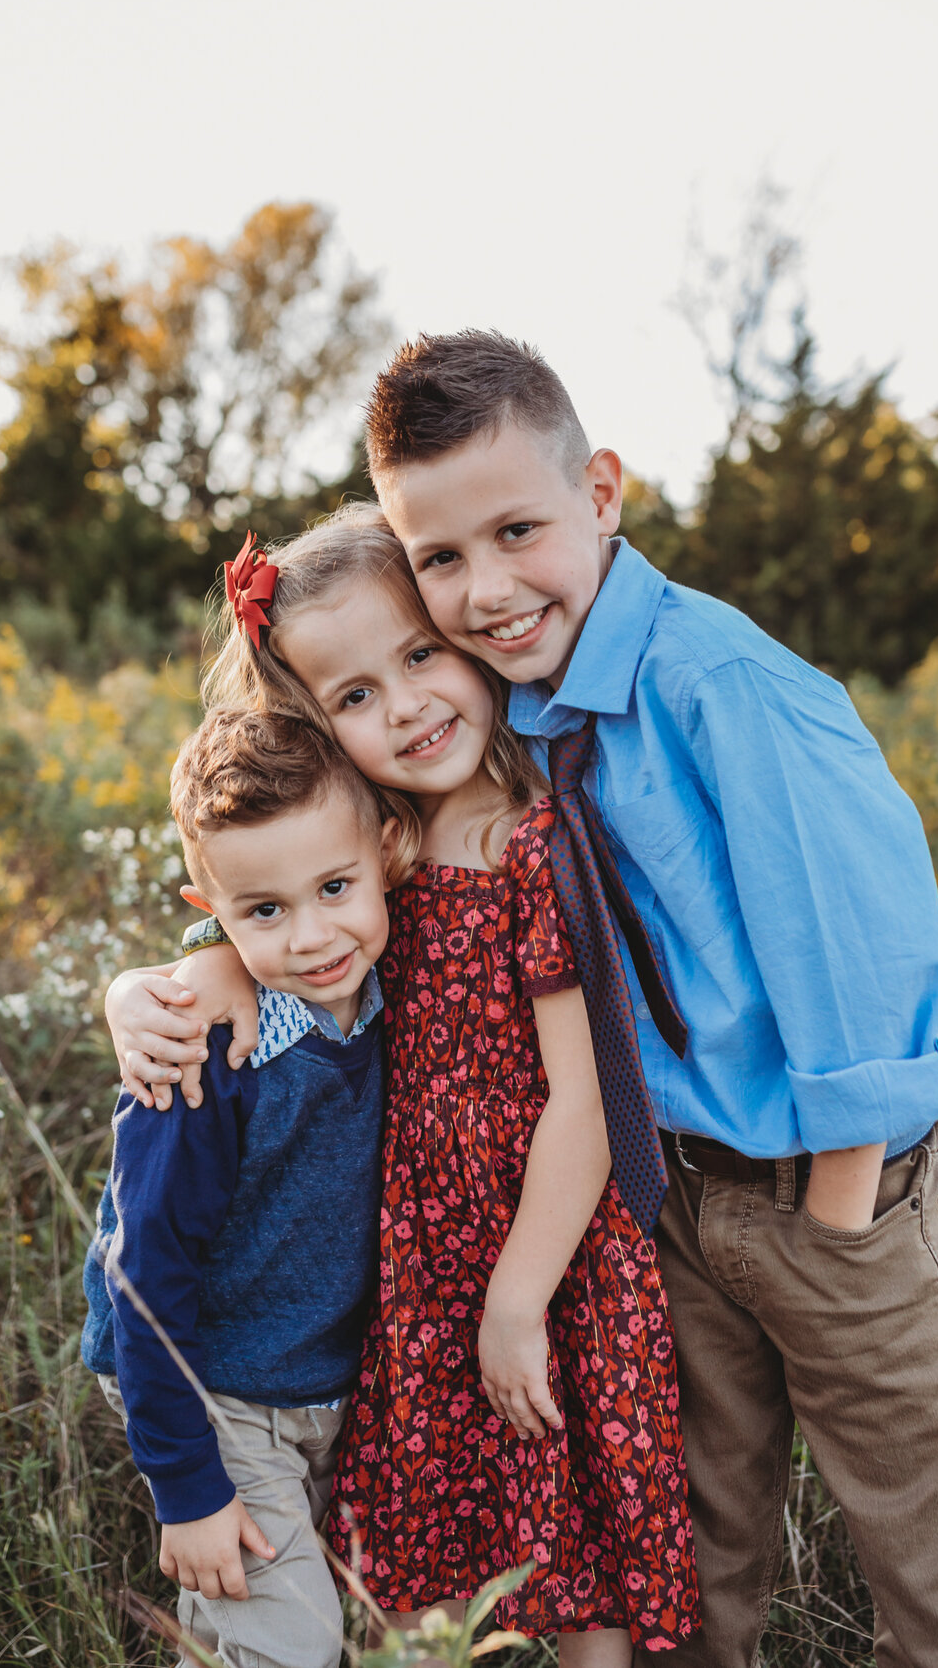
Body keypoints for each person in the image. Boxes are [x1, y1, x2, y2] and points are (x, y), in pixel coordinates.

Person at [108, 332, 938, 1667]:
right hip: (666, 1205)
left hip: (822, 1188)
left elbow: (859, 958)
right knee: (691, 1558)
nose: (483, 597)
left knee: (925, 1551)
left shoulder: (721, 684)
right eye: (445, 565)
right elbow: (309, 883)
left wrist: (837, 1212)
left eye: (516, 533)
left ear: (601, 490)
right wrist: (171, 975)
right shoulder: (518, 706)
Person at [190, 508, 698, 1656]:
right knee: (417, 1552)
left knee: (577, 1546)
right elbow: (259, 909)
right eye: (354, 696)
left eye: (420, 654)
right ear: (311, 729)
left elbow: (585, 1095)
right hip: (420, 1258)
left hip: (547, 1248)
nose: (408, 705)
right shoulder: (368, 855)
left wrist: (518, 1299)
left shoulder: (532, 843)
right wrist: (181, 972)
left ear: (469, 637)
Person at [79, 708, 390, 1668]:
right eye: (263, 912)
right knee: (294, 1644)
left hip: (313, 1376)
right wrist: (189, 1487)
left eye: (336, 887)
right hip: (207, 1381)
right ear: (208, 906)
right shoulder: (203, 1054)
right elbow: (145, 1270)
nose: (312, 936)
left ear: (386, 852)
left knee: (238, 1633)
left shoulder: (392, 989)